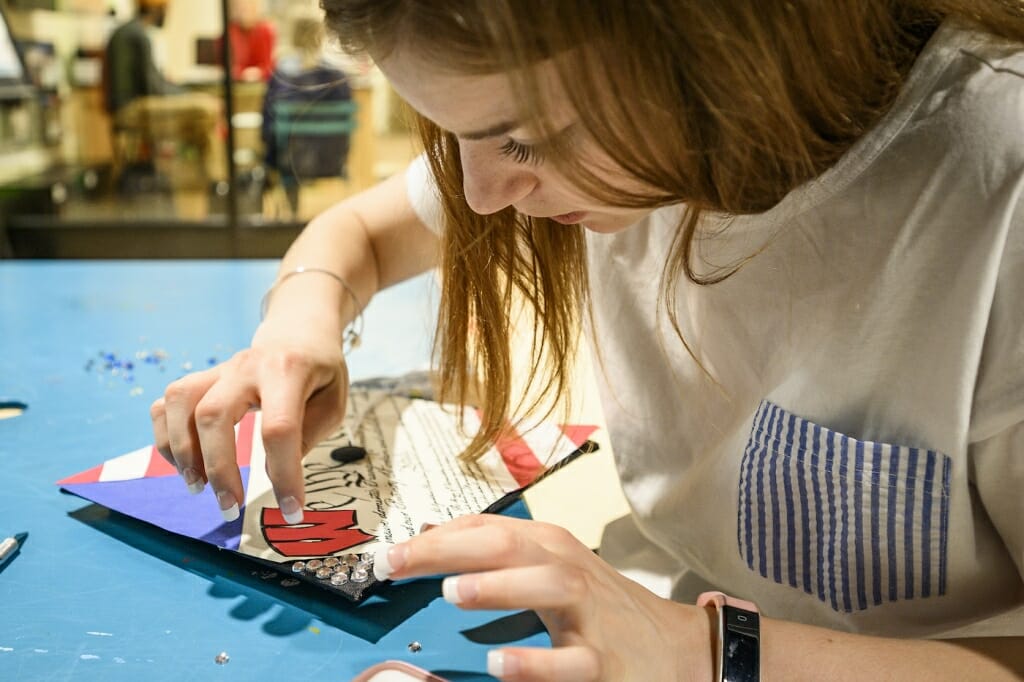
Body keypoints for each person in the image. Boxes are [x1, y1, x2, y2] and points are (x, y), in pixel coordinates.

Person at [150, 1, 1024, 680]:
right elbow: (360, 235)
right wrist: (300, 318)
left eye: (522, 140)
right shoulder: (614, 129)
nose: (482, 196)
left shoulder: (997, 192)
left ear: (722, 51)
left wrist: (703, 652)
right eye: (455, 135)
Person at [261, 15, 353, 218]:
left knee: (275, 141)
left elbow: (268, 127)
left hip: (290, 162)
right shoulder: (338, 77)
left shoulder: (281, 76)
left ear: (293, 37)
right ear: (320, 38)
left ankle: (291, 214)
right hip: (331, 160)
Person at [102, 0, 180, 115]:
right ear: (155, 9)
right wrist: (182, 91)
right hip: (130, 108)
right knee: (203, 108)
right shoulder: (139, 36)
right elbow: (151, 87)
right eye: (165, 9)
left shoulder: (124, 31)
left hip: (119, 106)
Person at [226, 0, 275, 82]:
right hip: (237, 81)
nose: (244, 9)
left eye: (248, 5)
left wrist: (258, 72)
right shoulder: (231, 31)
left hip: (259, 82)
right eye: (240, 6)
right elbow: (228, 64)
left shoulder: (265, 31)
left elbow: (268, 65)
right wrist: (240, 73)